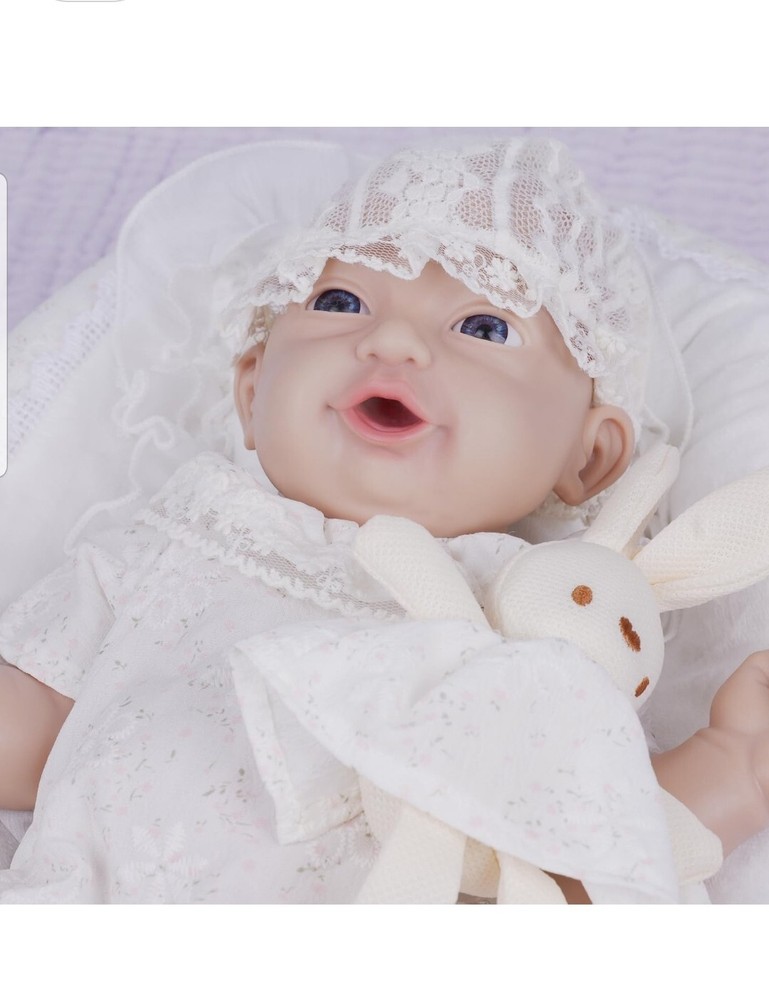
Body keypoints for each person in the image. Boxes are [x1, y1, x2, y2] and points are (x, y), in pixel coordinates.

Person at [0, 136, 767, 902]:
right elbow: (30, 732)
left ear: (588, 456)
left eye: (483, 326)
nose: (391, 339)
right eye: (340, 303)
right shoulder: (175, 539)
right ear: (252, 391)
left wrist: (723, 768)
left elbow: (578, 863)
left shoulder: (540, 624)